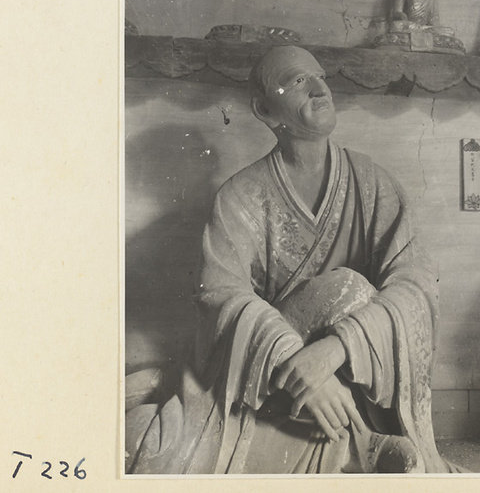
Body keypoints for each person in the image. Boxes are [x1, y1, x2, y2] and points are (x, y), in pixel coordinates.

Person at [125, 45, 461, 474]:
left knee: (351, 289)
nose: (320, 89)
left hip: (352, 377)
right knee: (144, 446)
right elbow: (220, 297)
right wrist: (292, 360)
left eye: (320, 77)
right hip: (263, 380)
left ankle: (354, 443)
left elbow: (416, 287)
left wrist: (339, 349)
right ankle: (358, 448)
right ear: (266, 111)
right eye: (298, 81)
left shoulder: (374, 184)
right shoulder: (239, 197)